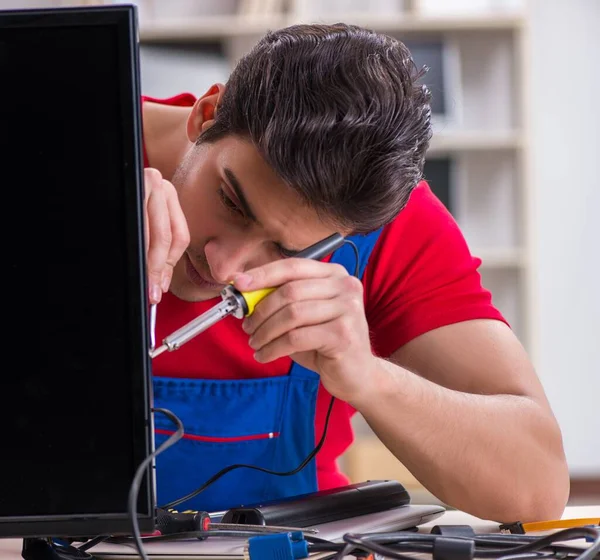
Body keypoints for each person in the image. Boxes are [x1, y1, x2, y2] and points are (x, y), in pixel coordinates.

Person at [141, 23, 568, 522]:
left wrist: (369, 378)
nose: (225, 266)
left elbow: (536, 487)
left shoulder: (385, 224)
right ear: (206, 116)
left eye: (288, 250)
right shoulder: (58, 151)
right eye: (232, 202)